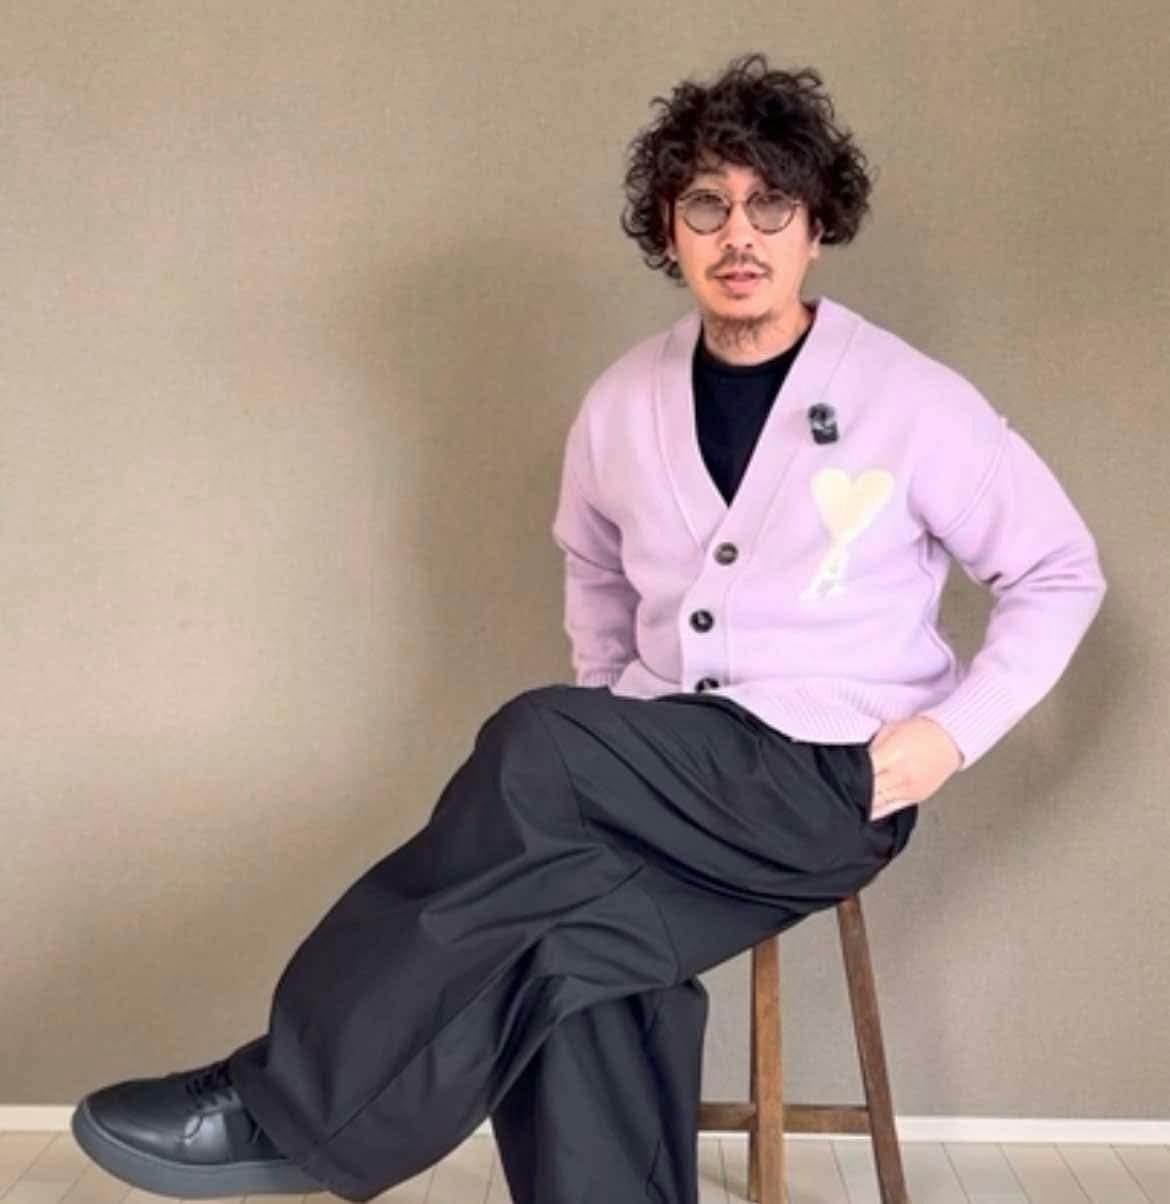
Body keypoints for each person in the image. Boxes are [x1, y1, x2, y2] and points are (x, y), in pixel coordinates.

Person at [70, 52, 1107, 1204]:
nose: (740, 234)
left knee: (540, 744)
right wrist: (625, 724)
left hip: (826, 780)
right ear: (669, 228)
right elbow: (596, 573)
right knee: (567, 955)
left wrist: (951, 735)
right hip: (665, 772)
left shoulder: (909, 398)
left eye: (772, 204)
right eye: (706, 205)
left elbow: (1059, 569)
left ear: (817, 227)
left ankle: (287, 1105)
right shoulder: (622, 402)